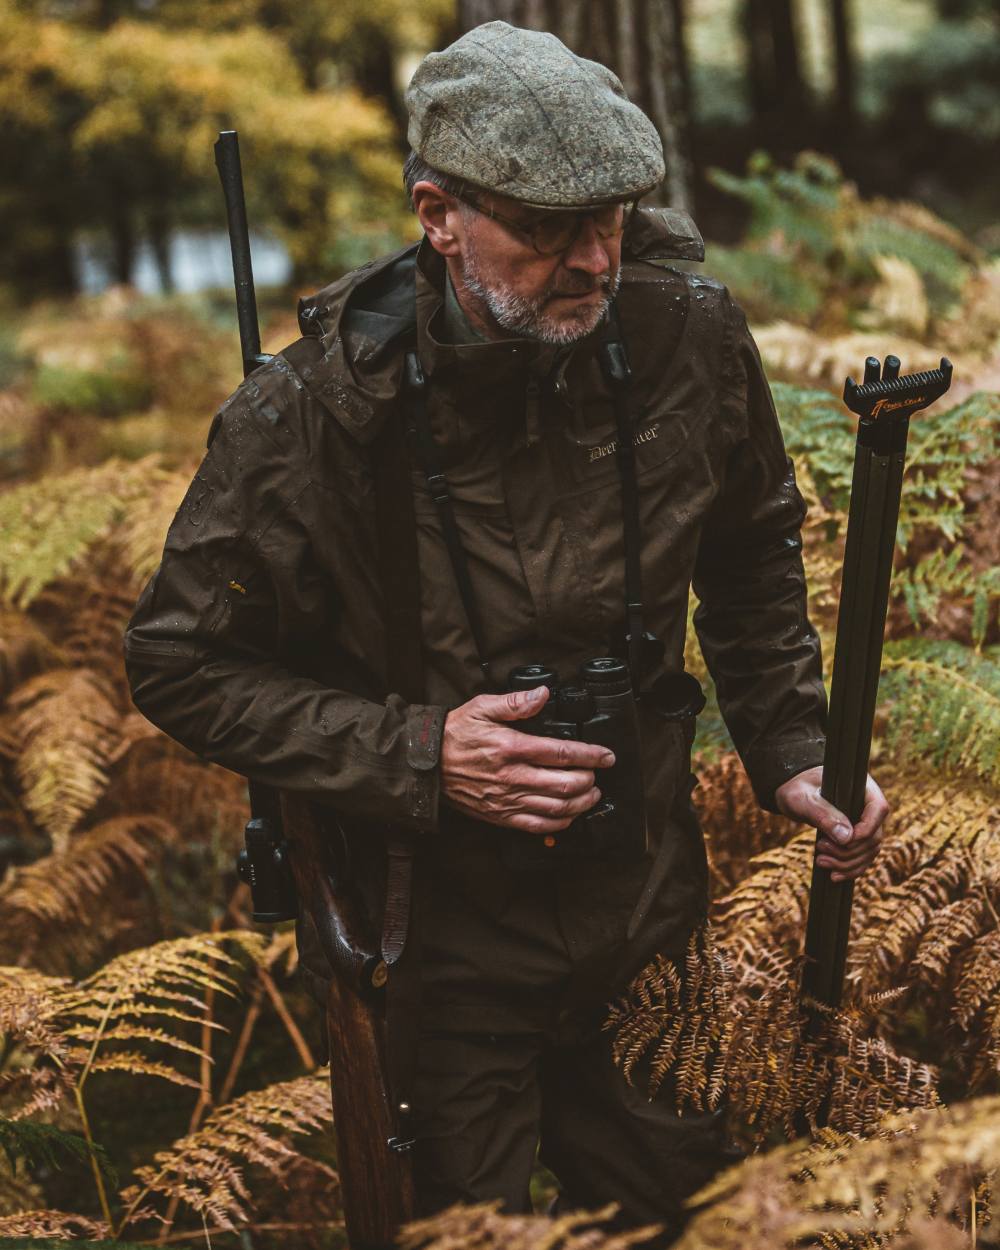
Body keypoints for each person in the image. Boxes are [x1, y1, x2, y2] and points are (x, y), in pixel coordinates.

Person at [123, 20, 889, 1241]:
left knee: (679, 1215)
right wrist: (425, 753)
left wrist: (791, 746)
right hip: (431, 942)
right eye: (547, 229)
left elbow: (747, 545)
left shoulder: (688, 336)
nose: (593, 259)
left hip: (648, 902)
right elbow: (179, 660)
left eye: (614, 219)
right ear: (438, 215)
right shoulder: (311, 418)